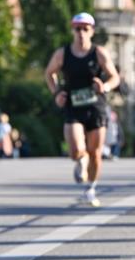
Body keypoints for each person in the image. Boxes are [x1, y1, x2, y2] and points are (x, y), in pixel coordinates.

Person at [44, 12, 120, 207]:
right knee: (76, 150)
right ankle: (80, 160)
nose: (81, 33)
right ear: (73, 30)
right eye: (77, 29)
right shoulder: (63, 53)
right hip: (73, 105)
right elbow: (49, 73)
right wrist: (57, 92)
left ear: (92, 31)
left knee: (96, 152)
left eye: (85, 29)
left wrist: (105, 86)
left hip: (95, 106)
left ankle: (91, 189)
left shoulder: (99, 53)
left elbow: (114, 77)